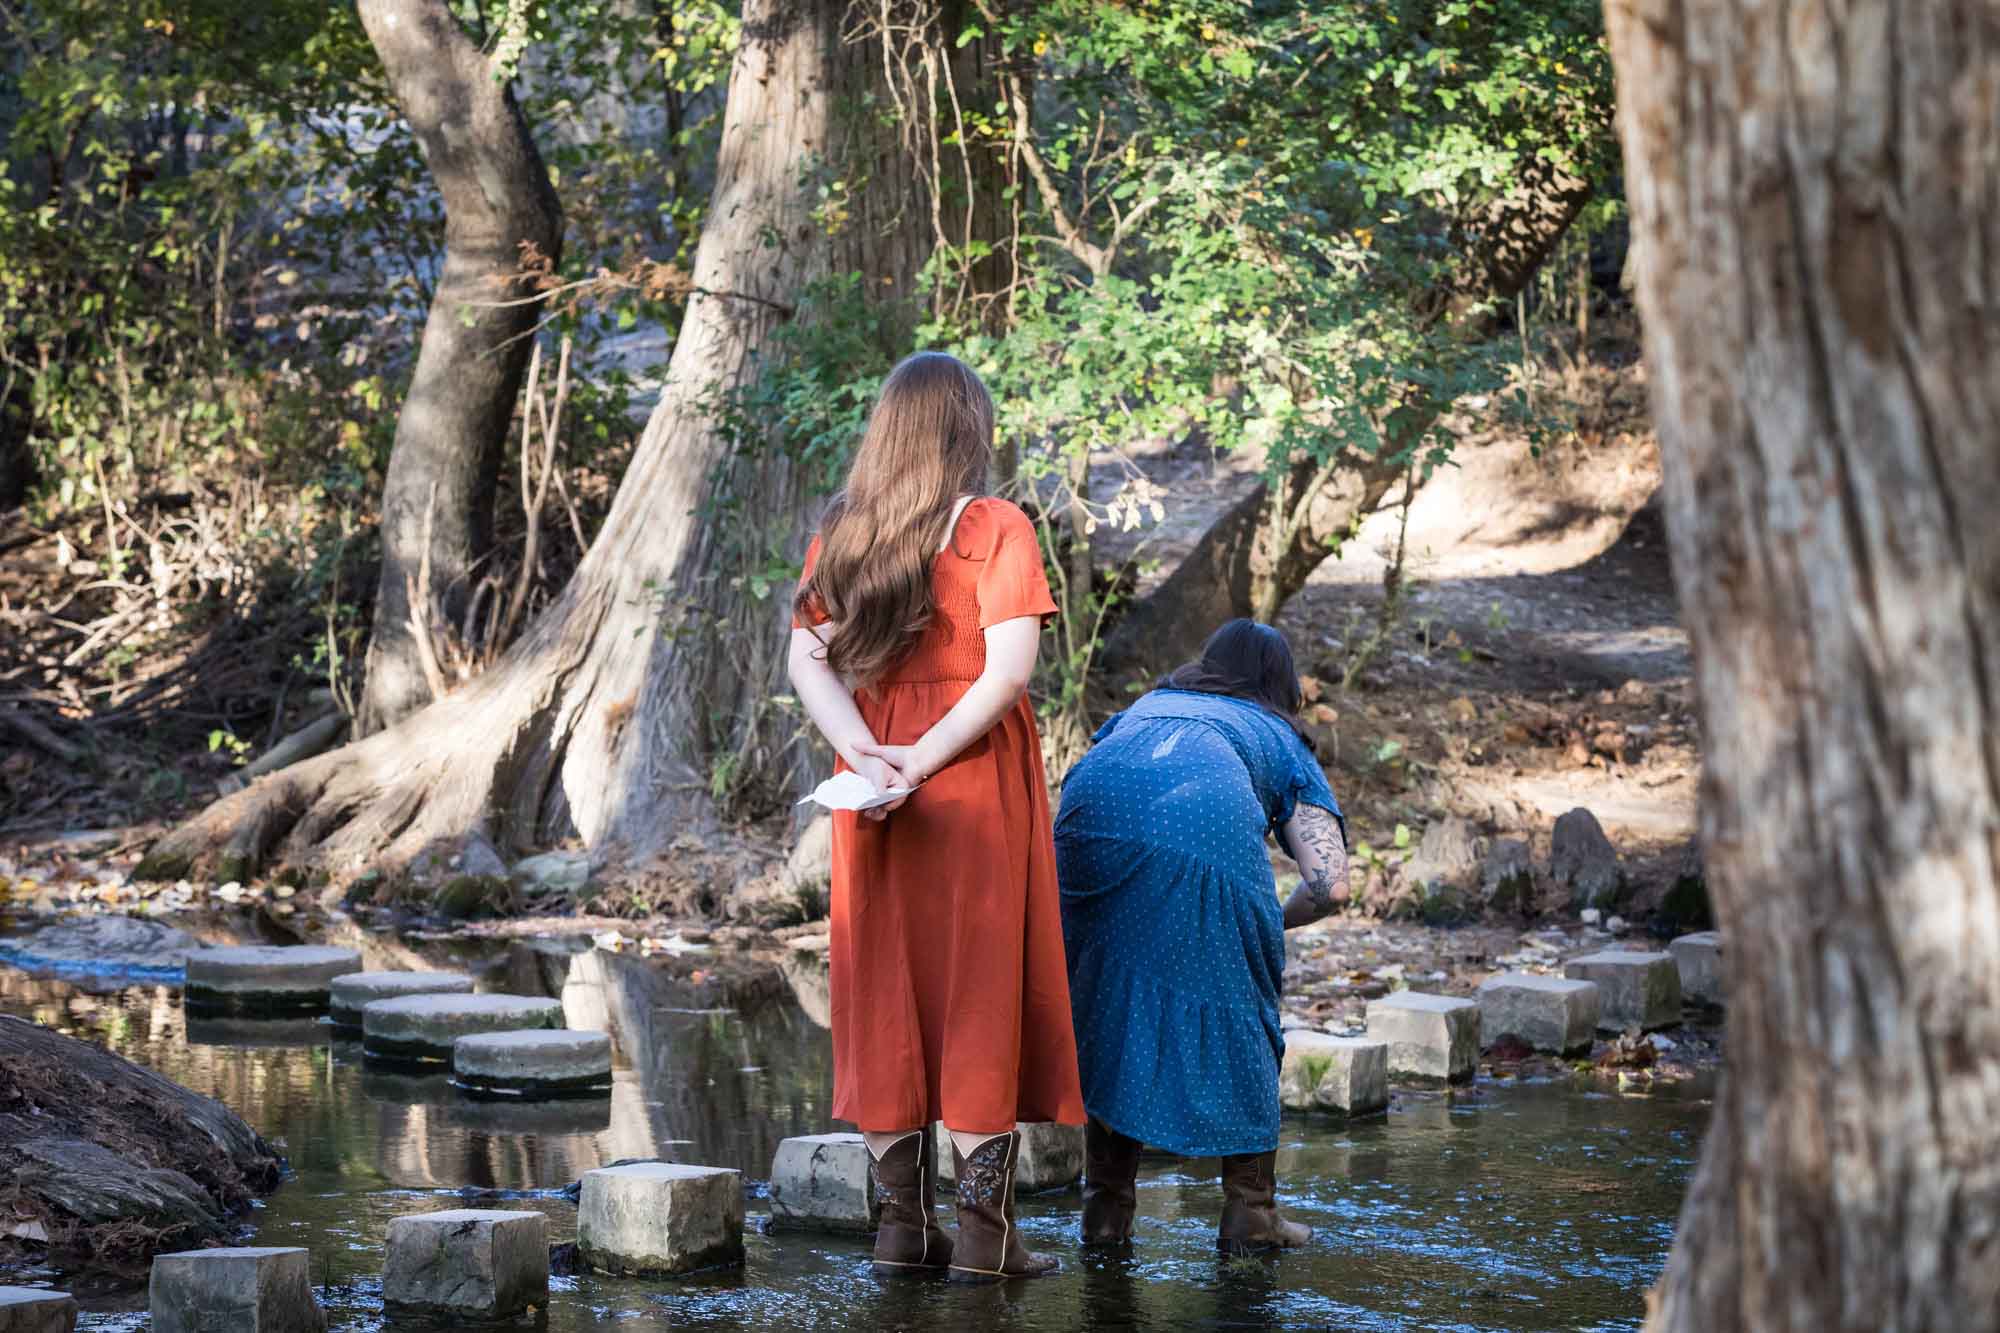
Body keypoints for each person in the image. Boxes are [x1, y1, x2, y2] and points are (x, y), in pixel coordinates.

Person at [787, 351, 1085, 1282]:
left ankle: (901, 1231)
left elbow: (807, 658)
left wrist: (867, 752)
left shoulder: (848, 530)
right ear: (968, 429)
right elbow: (1007, 672)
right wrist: (921, 758)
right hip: (965, 778)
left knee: (887, 984)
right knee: (977, 986)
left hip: (870, 783)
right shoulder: (993, 526)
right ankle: (986, 1241)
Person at [1053, 618, 1350, 1254]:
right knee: (1243, 1015)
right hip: (1203, 833)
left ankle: (1104, 1217)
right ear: (1282, 686)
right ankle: (1251, 1213)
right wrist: (1276, 920)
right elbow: (1330, 884)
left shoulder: (1147, 707)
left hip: (1082, 832)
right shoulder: (1274, 732)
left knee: (1111, 1014)